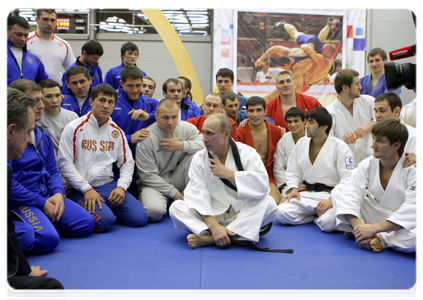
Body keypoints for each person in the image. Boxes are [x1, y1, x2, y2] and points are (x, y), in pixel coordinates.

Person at [7, 80, 94, 255]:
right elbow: (9, 183)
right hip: (21, 202)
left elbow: (52, 170)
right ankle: (39, 226)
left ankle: (44, 223)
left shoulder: (42, 134)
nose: (41, 105)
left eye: (41, 99)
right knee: (48, 240)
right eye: (35, 101)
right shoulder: (11, 141)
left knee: (87, 223)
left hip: (47, 195)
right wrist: (41, 203)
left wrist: (57, 195)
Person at [169, 113, 277, 249]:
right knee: (176, 208)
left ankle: (211, 239)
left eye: (210, 134)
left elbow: (262, 187)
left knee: (270, 204)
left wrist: (230, 174)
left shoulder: (247, 153)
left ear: (226, 134)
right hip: (211, 215)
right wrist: (214, 226)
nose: (204, 139)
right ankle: (231, 235)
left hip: (240, 215)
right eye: (203, 133)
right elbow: (197, 194)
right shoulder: (199, 158)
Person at [58, 84, 149, 232]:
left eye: (111, 102)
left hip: (107, 185)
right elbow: (64, 164)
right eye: (102, 100)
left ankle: (105, 209)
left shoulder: (116, 132)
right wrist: (86, 189)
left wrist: (121, 187)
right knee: (105, 222)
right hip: (78, 187)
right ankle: (84, 206)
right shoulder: (74, 128)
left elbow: (127, 163)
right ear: (91, 102)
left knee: (140, 218)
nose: (106, 105)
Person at [5, 87, 66, 300]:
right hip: (27, 201)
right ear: (10, 131)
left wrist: (25, 274)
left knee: (49, 288)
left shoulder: (4, 171)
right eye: (28, 131)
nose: (30, 139)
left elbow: (7, 232)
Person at [332, 119, 419, 253]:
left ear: (396, 145)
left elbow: (414, 208)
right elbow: (352, 192)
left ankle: (382, 239)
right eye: (373, 139)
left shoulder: (413, 168)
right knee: (340, 190)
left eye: (379, 141)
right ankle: (362, 233)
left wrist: (374, 229)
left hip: (399, 222)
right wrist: (359, 229)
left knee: (417, 238)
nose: (373, 145)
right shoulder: (368, 163)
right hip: (374, 214)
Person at [277, 107, 355, 232]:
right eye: (307, 121)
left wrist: (331, 201)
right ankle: (313, 217)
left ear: (324, 127)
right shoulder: (302, 143)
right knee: (281, 213)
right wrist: (294, 188)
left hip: (328, 195)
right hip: (306, 195)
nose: (306, 125)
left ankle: (316, 217)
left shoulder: (340, 147)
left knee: (328, 224)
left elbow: (349, 178)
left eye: (311, 122)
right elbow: (293, 170)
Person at [135, 99, 204, 223]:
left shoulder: (186, 127)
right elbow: (148, 176)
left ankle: (186, 198)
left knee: (198, 157)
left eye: (174, 117)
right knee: (154, 213)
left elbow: (207, 144)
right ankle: (173, 199)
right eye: (165, 118)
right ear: (156, 116)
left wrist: (182, 145)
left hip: (177, 176)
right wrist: (176, 194)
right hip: (155, 183)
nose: (170, 122)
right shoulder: (146, 138)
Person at [255, 19, 336, 94]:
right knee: (300, 36)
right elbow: (274, 48)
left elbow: (274, 48)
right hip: (313, 47)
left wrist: (261, 59)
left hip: (310, 45)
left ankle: (283, 24)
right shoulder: (291, 54)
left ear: (285, 65)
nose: (283, 69)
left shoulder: (294, 58)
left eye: (282, 68)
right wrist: (260, 59)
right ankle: (328, 24)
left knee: (295, 34)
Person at [237, 96, 283, 204]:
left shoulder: (276, 131)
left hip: (268, 176)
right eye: (251, 111)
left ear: (265, 111)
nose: (255, 115)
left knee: (275, 203)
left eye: (259, 110)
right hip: (246, 177)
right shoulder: (240, 132)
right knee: (243, 206)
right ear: (246, 112)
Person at [326, 69, 376, 165]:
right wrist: (342, 141)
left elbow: (386, 119)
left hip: (370, 162)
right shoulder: (330, 113)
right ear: (345, 88)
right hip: (345, 167)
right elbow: (327, 146)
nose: (360, 87)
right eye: (357, 84)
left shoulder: (368, 101)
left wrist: (368, 127)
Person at [27, 8, 76, 85]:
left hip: (56, 91)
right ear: (37, 20)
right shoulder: (25, 41)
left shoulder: (64, 45)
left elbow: (73, 71)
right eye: (45, 19)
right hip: (33, 90)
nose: (49, 23)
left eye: (52, 20)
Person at [37, 79, 78, 161]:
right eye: (48, 96)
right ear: (40, 98)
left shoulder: (73, 117)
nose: (54, 100)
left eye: (57, 95)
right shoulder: (36, 119)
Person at [5, 16, 49, 87]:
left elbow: (44, 83)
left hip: (28, 97)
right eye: (18, 35)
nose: (23, 39)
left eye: (26, 35)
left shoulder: (34, 59)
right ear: (6, 30)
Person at [273, 107, 307, 196]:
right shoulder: (284, 140)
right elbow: (278, 167)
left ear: (304, 121)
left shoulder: (313, 138)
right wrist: (293, 186)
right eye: (289, 122)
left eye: (296, 121)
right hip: (289, 184)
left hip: (311, 184)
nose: (292, 124)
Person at [374, 93, 420, 157]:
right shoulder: (373, 134)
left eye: (382, 111)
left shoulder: (415, 136)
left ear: (396, 111)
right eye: (376, 111)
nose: (377, 115)